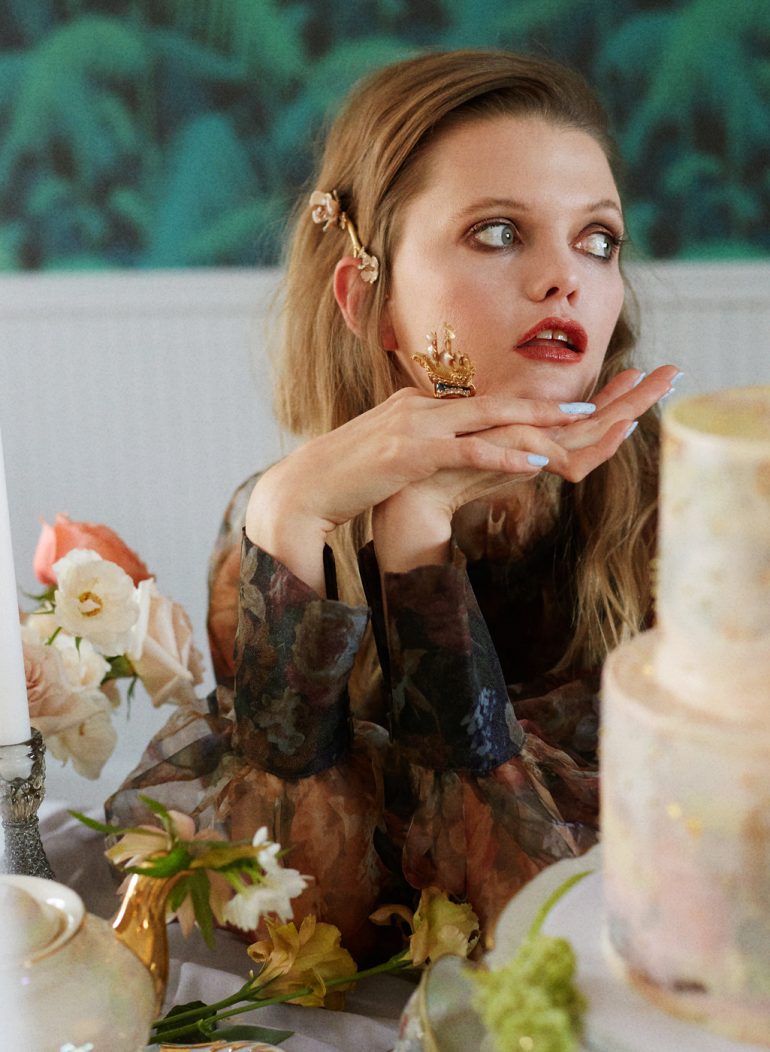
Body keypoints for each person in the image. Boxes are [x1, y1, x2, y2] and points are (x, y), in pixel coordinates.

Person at [109, 49, 680, 961]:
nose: (565, 278)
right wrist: (289, 515)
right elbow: (302, 928)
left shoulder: (684, 520)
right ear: (368, 301)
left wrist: (419, 551)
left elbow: (545, 933)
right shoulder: (277, 528)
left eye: (598, 240)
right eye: (499, 232)